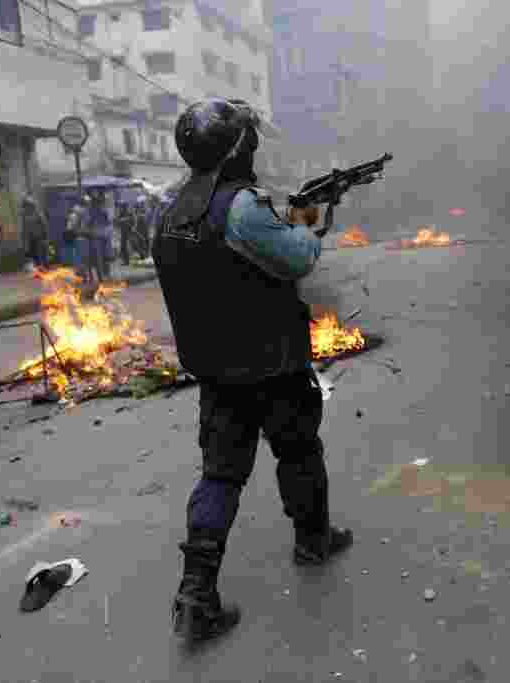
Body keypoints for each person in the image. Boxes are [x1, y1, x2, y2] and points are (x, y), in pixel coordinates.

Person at [152, 97, 352, 643]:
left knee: (220, 475)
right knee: (298, 450)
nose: (257, 147)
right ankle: (313, 542)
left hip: (216, 372)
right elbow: (298, 258)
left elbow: (225, 266)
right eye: (251, 140)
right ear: (238, 148)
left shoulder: (168, 211)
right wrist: (311, 215)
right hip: (272, 364)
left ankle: (196, 594)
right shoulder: (242, 205)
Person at [21, 196, 49, 270]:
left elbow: (44, 224)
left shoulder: (38, 213)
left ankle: (43, 265)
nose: (26, 207)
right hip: (30, 237)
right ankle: (38, 266)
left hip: (39, 236)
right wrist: (24, 235)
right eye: (25, 206)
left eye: (27, 205)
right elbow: (24, 226)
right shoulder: (25, 215)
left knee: (41, 252)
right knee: (33, 253)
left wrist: (45, 235)